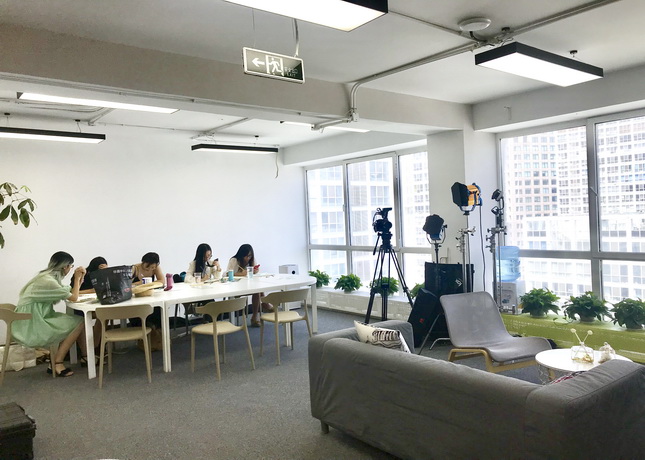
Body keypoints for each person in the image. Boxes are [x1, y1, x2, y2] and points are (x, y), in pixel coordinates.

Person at [11, 251, 89, 377]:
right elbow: (74, 297)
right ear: (65, 267)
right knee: (79, 322)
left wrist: (79, 279)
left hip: (34, 316)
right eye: (71, 266)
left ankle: (85, 357)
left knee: (77, 320)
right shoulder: (48, 281)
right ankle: (57, 362)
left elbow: (70, 292)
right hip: (31, 322)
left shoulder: (46, 277)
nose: (70, 269)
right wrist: (76, 278)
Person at [227, 244, 272, 327]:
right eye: (246, 256)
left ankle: (255, 317)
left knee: (257, 290)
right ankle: (265, 304)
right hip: (236, 287)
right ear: (241, 255)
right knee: (258, 289)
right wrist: (241, 274)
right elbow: (228, 274)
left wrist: (255, 271)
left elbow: (253, 274)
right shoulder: (234, 260)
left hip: (249, 285)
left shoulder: (252, 260)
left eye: (250, 256)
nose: (248, 258)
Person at [130, 252, 164, 328]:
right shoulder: (135, 268)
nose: (149, 269)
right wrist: (141, 283)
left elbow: (162, 281)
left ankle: (157, 330)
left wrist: (148, 283)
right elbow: (127, 285)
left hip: (150, 296)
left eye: (152, 267)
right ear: (143, 262)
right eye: (147, 266)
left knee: (158, 309)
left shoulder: (156, 268)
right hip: (137, 298)